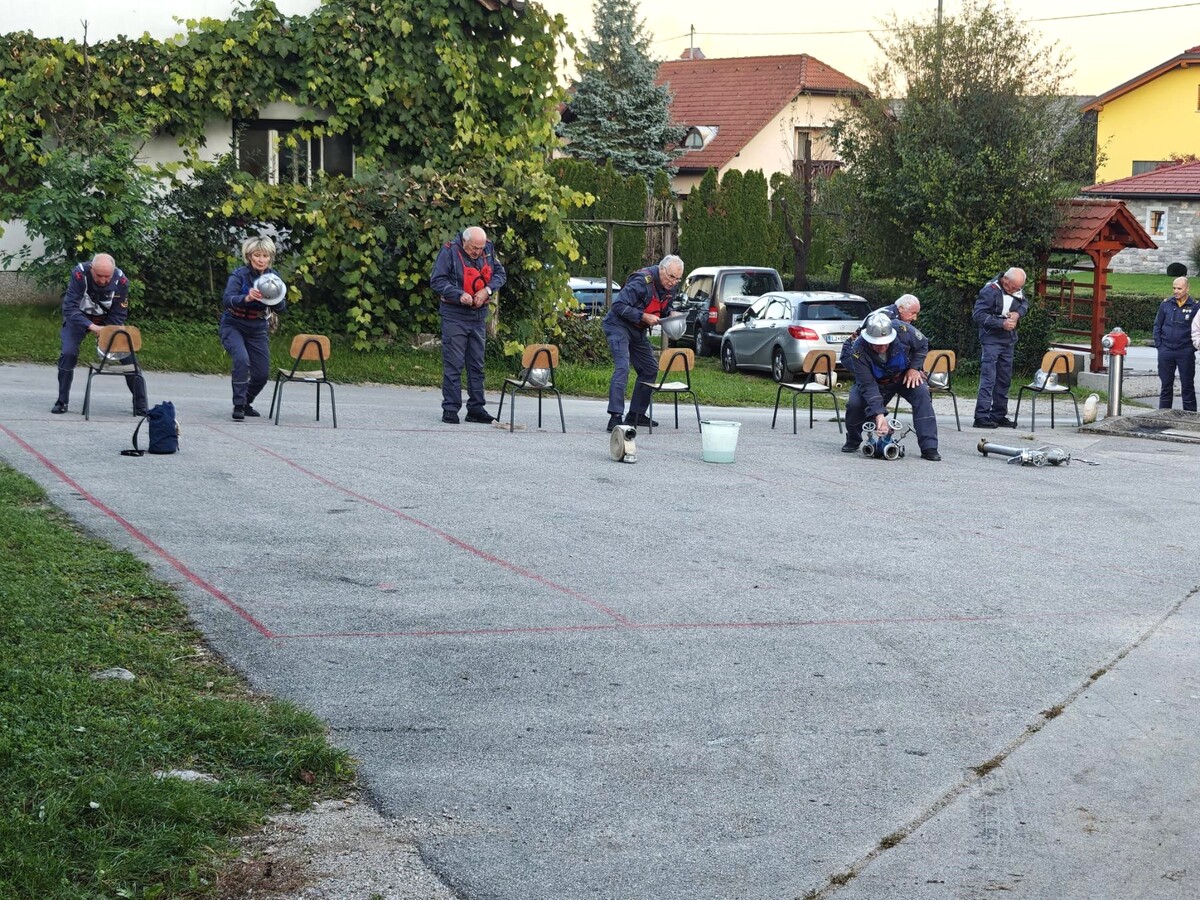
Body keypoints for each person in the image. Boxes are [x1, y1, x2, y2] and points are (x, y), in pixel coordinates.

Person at [52, 253, 147, 416]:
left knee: (128, 356)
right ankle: (62, 401)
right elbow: (70, 308)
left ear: (113, 272)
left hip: (107, 319)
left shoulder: (121, 281)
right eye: (99, 276)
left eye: (107, 276)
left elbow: (119, 314)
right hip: (79, 317)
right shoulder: (80, 275)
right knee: (68, 352)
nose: (103, 280)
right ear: (91, 269)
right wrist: (92, 327)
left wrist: (106, 331)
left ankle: (141, 405)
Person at [430, 226, 506, 424]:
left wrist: (487, 291)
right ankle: (450, 409)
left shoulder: (488, 248)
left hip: (478, 316)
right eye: (474, 248)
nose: (478, 252)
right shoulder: (449, 251)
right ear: (464, 241)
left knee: (477, 365)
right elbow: (437, 281)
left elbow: (500, 274)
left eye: (480, 248)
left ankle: (476, 409)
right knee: (454, 364)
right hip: (454, 315)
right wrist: (459, 295)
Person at [841, 311, 941, 461]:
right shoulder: (857, 350)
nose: (882, 347)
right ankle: (853, 440)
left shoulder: (904, 331)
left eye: (885, 342)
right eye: (877, 344)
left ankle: (929, 447)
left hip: (903, 376)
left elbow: (923, 345)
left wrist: (914, 368)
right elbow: (867, 385)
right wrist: (879, 415)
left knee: (922, 393)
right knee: (855, 403)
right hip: (875, 381)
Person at [602, 255, 685, 432]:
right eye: (671, 276)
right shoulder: (642, 281)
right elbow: (618, 306)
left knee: (650, 368)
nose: (673, 282)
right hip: (618, 325)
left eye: (678, 279)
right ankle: (615, 417)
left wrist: (671, 314)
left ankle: (636, 415)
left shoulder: (670, 287)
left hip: (637, 329)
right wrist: (643, 316)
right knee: (622, 367)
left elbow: (664, 308)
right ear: (662, 269)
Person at [220, 236, 287, 421]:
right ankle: (238, 405)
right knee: (241, 360)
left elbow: (282, 308)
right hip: (234, 324)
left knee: (261, 374)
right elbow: (227, 300)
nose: (261, 260)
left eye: (265, 256)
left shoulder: (274, 278)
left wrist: (274, 299)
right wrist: (246, 298)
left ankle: (246, 402)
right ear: (249, 256)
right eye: (257, 255)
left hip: (257, 327)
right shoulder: (239, 275)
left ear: (270, 257)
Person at [972, 267, 1028, 429]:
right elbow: (978, 315)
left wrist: (1018, 314)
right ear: (1005, 280)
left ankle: (998, 414)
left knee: (1004, 378)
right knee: (989, 378)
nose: (1016, 291)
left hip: (1009, 340)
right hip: (991, 339)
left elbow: (1024, 303)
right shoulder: (989, 291)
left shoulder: (1016, 289)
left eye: (1018, 288)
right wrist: (1001, 323)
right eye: (1013, 288)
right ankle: (981, 416)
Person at [1152, 276, 1198, 411]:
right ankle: (1163, 413)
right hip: (1166, 350)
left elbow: (1197, 329)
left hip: (1185, 351)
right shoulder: (1166, 304)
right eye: (1174, 288)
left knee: (1187, 385)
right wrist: (1160, 346)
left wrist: (1192, 348)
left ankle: (1190, 416)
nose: (1176, 291)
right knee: (1166, 384)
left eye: (1179, 288)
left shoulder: (1195, 306)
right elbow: (1157, 325)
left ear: (1187, 289)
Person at [840, 293, 920, 368]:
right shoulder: (886, 320)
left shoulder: (895, 315)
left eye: (916, 313)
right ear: (901, 309)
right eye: (912, 313)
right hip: (853, 352)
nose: (915, 318)